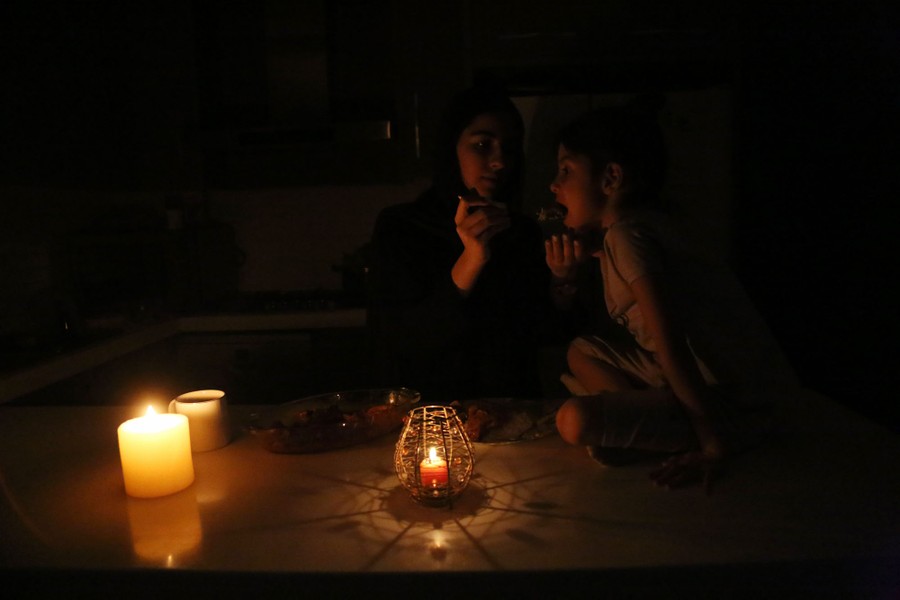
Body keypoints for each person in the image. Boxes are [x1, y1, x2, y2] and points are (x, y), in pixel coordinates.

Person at [544, 104, 798, 491]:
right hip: (715, 378)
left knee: (574, 420)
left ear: (611, 177)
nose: (553, 185)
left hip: (735, 393)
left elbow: (670, 343)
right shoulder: (631, 233)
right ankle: (655, 421)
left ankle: (717, 431)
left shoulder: (628, 238)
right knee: (580, 351)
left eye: (566, 170)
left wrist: (713, 448)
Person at [367, 82, 571, 402]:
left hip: (512, 414)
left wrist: (562, 280)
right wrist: (471, 259)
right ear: (452, 148)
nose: (499, 161)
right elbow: (402, 339)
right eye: (481, 145)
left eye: (509, 147)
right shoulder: (402, 227)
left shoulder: (521, 231)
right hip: (434, 417)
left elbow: (541, 335)